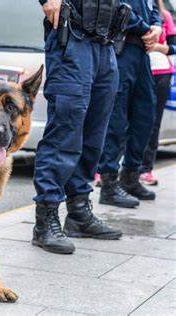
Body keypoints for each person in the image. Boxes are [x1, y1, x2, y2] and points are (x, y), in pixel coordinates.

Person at [32, 0, 123, 255]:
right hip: (73, 37)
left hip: (105, 44)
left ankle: (79, 213)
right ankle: (45, 222)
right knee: (64, 133)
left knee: (94, 136)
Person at [98, 0, 162, 208]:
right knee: (116, 119)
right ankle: (108, 184)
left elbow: (154, 9)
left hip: (141, 53)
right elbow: (116, 7)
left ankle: (131, 177)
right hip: (121, 49)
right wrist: (146, 29)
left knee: (146, 115)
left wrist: (157, 26)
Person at [141, 1, 176, 185]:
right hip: (136, 68)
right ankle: (110, 170)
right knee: (125, 120)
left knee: (154, 123)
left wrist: (161, 48)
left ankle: (146, 169)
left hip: (161, 73)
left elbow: (174, 47)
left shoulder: (165, 16)